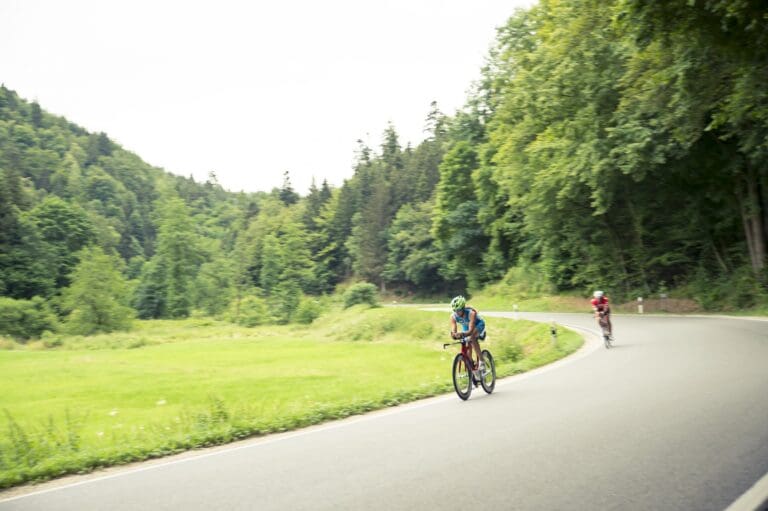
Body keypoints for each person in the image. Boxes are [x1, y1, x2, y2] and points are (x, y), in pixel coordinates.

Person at [449, 295, 487, 377]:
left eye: (458, 310)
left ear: (463, 308)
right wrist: (454, 334)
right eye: (455, 310)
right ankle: (473, 369)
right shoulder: (453, 316)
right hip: (466, 326)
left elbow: (470, 331)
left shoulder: (471, 313)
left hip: (478, 324)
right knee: (467, 346)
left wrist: (462, 334)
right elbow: (453, 328)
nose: (457, 312)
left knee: (472, 338)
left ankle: (482, 361)